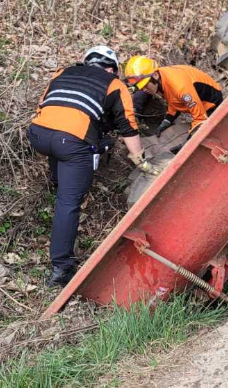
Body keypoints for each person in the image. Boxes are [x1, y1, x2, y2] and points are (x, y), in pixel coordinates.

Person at [27, 45, 153, 287]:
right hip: (71, 142)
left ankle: (57, 181)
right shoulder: (115, 85)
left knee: (71, 145)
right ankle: (61, 268)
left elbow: (43, 104)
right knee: (68, 203)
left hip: (38, 134)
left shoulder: (62, 73)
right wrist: (140, 159)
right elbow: (127, 125)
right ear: (113, 69)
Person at [123, 56, 223, 141]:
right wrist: (167, 120)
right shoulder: (162, 79)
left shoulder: (180, 87)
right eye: (140, 87)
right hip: (193, 99)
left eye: (145, 85)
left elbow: (200, 119)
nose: (144, 90)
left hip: (212, 104)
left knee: (212, 136)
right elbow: (174, 100)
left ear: (155, 75)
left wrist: (188, 142)